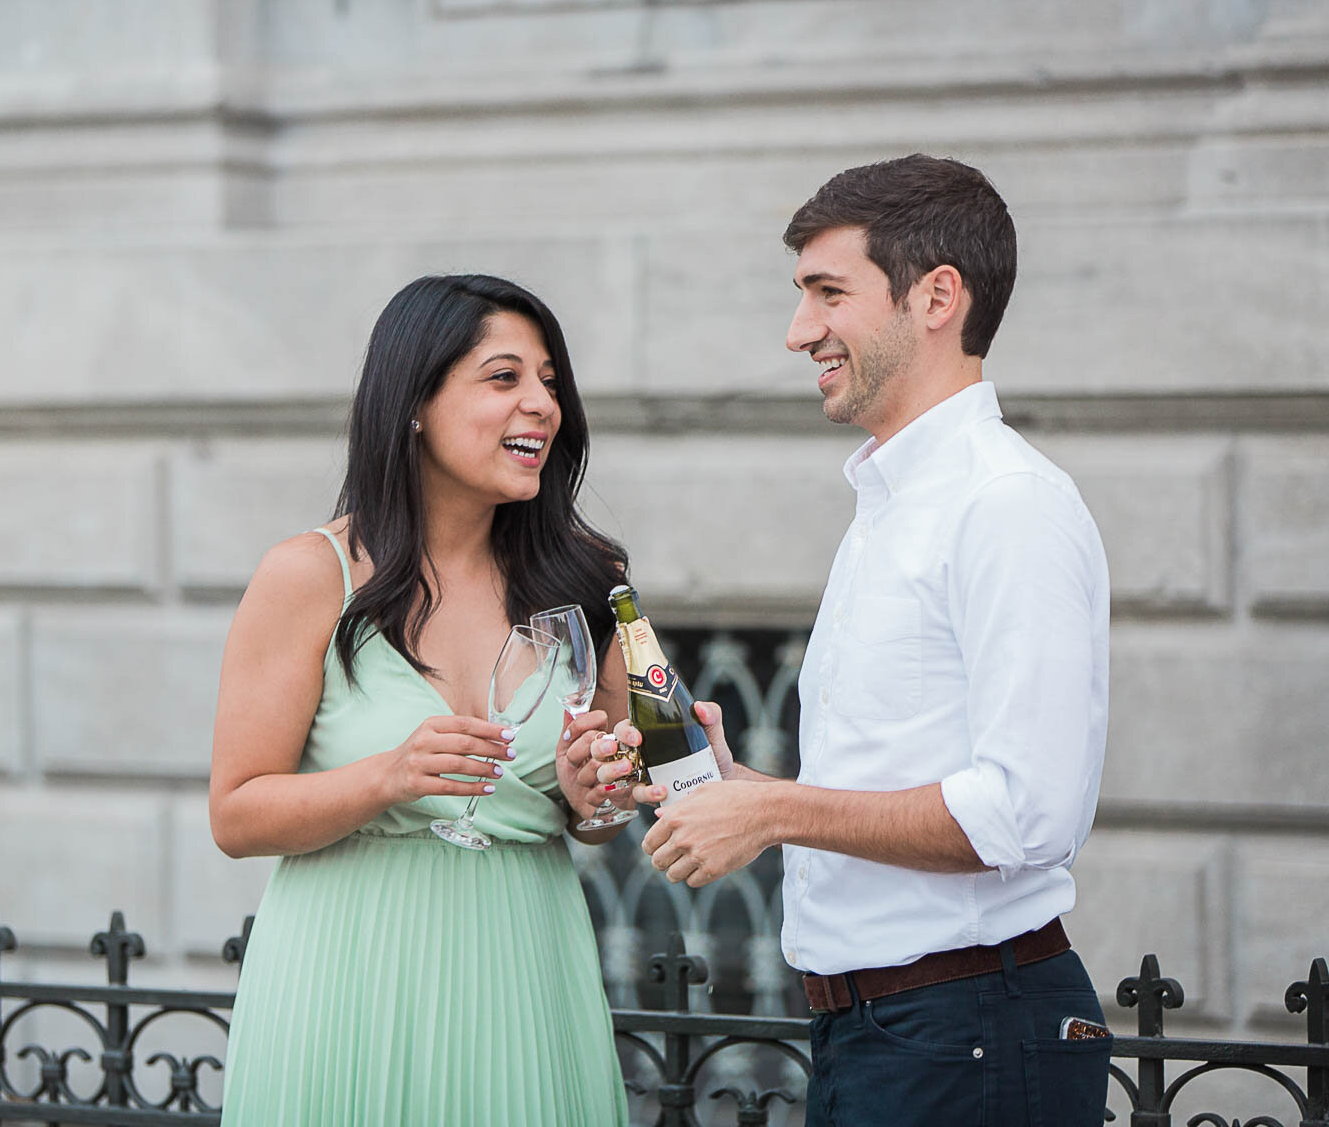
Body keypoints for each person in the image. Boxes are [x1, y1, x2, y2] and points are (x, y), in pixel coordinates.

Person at [607, 155, 1113, 1125]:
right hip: (892, 1033)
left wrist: (774, 814)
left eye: (827, 293)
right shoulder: (892, 501)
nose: (799, 332)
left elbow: (1024, 813)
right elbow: (895, 777)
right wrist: (740, 792)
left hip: (970, 1031)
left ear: (936, 297)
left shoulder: (1005, 504)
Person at [211, 273, 636, 1125]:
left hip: (526, 970)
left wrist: (595, 795)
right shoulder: (307, 576)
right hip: (349, 977)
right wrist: (388, 777)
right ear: (414, 403)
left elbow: (605, 805)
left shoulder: (591, 581)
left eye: (550, 382)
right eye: (504, 377)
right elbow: (237, 815)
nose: (541, 405)